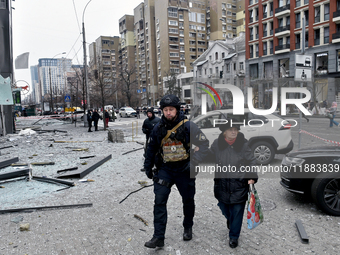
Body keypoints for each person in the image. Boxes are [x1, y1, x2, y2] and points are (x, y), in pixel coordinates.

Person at [143, 95, 209, 249]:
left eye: (171, 109)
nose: (168, 113)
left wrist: (194, 162)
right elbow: (151, 149)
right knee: (159, 201)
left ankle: (188, 226)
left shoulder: (189, 126)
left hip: (184, 169)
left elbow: (204, 145)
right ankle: (158, 237)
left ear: (177, 110)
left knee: (188, 200)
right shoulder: (158, 128)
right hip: (165, 169)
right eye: (165, 110)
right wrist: (148, 166)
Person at [210, 119, 257, 248]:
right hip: (222, 184)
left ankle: (234, 236)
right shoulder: (217, 144)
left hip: (239, 184)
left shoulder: (243, 144)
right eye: (231, 129)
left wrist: (252, 176)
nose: (233, 132)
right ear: (224, 132)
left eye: (235, 129)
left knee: (237, 211)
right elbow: (208, 156)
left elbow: (252, 161)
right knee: (224, 206)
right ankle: (231, 221)